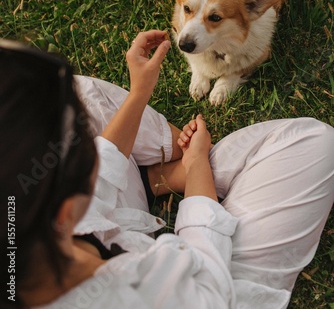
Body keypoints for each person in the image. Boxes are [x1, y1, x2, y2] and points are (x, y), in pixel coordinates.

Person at [0, 31, 333, 308]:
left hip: (110, 228)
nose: (92, 145)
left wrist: (140, 91)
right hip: (215, 288)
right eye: (83, 146)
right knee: (314, 142)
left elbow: (97, 179)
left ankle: (160, 177)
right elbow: (202, 257)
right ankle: (174, 170)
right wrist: (197, 163)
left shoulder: (26, 233)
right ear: (66, 213)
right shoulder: (145, 292)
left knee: (79, 91)